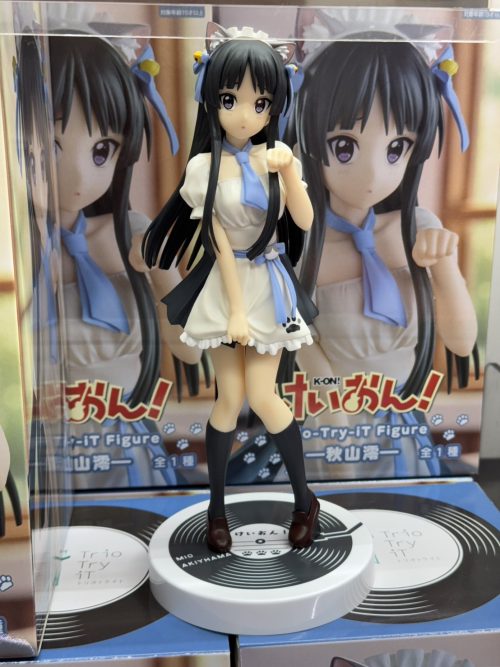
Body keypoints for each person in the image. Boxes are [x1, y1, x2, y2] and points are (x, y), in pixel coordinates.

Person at [143, 23, 319, 552]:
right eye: (230, 99)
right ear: (211, 100)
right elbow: (217, 242)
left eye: (259, 103)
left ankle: (304, 500)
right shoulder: (203, 168)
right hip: (226, 286)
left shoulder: (279, 158)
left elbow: (305, 221)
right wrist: (236, 313)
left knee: (264, 396)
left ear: (274, 107)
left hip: (269, 283)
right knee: (228, 400)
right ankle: (216, 510)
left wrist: (288, 173)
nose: (245, 115)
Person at [290, 21, 478, 479]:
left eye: (397, 148)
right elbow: (295, 343)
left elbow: (461, 343)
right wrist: (332, 408)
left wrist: (446, 270)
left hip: (402, 431)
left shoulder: (417, 230)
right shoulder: (301, 241)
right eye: (345, 146)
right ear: (311, 136)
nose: (374, 174)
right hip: (330, 429)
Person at [50, 32, 194, 488]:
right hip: (49, 449)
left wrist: (161, 271)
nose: (78, 175)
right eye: (52, 145)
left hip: (127, 445)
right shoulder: (19, 250)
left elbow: (189, 349)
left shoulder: (130, 231)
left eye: (102, 151)